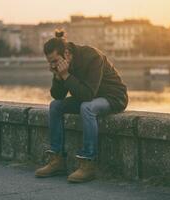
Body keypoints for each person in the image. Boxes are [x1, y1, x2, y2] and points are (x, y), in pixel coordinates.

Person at [35, 30, 129, 183]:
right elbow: (58, 96)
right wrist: (58, 76)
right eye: (50, 63)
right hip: (88, 97)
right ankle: (57, 160)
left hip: (113, 97)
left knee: (87, 107)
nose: (52, 65)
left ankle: (88, 163)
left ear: (66, 53)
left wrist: (65, 75)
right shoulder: (64, 63)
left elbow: (87, 96)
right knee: (55, 106)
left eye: (54, 61)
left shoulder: (92, 57)